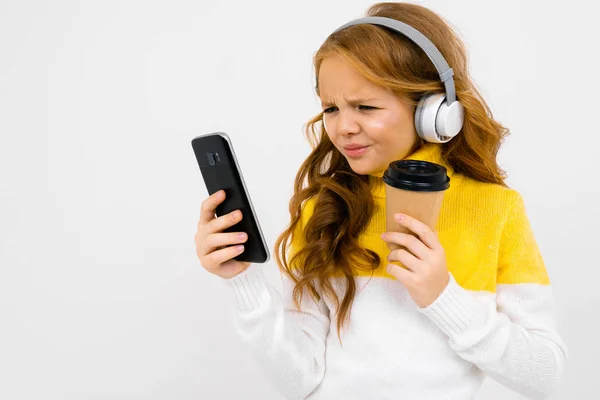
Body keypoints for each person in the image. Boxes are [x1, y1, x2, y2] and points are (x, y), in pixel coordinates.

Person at [194, 2, 568, 399]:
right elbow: (297, 380)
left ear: (434, 112)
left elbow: (544, 375)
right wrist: (242, 281)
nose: (344, 127)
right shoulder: (322, 209)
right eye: (331, 109)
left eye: (366, 107)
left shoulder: (495, 209)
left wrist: (442, 295)